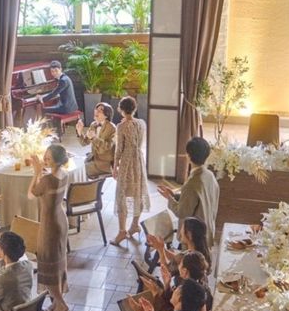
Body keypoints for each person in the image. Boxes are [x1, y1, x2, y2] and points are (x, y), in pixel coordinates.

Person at [28, 143, 70, 311]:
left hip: (50, 225)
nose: (45, 160)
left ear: (56, 161)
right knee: (58, 262)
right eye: (45, 156)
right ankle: (55, 304)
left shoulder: (47, 180)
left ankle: (61, 305)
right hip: (61, 220)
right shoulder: (64, 174)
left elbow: (31, 194)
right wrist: (42, 172)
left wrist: (36, 172)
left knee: (47, 264)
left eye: (48, 158)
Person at [157, 137, 219, 247]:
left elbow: (182, 212)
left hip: (194, 238)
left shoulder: (191, 183)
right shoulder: (209, 175)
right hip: (207, 231)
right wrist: (175, 195)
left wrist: (169, 198)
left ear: (189, 156)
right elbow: (199, 200)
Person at [111, 96, 150, 247]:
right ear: (135, 108)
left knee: (122, 193)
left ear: (121, 109)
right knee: (138, 191)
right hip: (139, 160)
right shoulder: (141, 123)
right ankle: (134, 225)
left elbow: (119, 149)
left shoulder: (121, 126)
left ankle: (122, 231)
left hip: (127, 162)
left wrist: (115, 167)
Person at [141, 250, 213, 311]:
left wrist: (155, 293)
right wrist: (167, 284)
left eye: (180, 264)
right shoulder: (201, 280)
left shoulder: (188, 293)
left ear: (185, 271)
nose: (178, 266)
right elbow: (172, 301)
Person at [148, 216, 213, 275]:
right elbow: (177, 259)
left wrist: (160, 250)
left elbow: (166, 271)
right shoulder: (201, 251)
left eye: (182, 228)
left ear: (189, 235)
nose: (180, 232)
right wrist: (162, 248)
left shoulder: (189, 258)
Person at [75, 102, 116, 177]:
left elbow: (107, 147)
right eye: (96, 109)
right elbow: (84, 143)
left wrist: (94, 138)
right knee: (76, 164)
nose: (97, 111)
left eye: (100, 110)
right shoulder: (93, 124)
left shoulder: (112, 128)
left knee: (80, 171)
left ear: (106, 115)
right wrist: (79, 132)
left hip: (104, 163)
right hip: (94, 158)